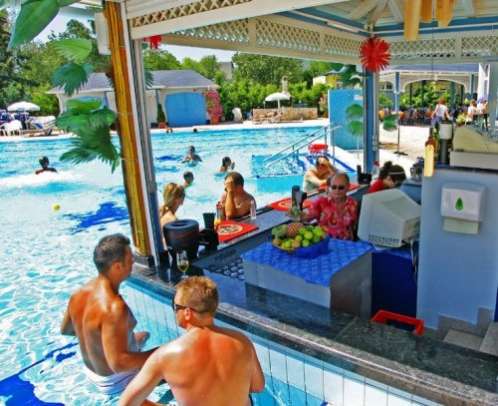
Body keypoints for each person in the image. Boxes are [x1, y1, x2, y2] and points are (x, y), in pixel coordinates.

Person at [119, 276, 265, 406]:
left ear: (187, 312)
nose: (174, 311)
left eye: (176, 307)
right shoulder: (241, 341)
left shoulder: (165, 356)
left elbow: (126, 403)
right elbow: (258, 386)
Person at [60, 234, 155, 395]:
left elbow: (67, 330)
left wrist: (97, 340)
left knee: (143, 335)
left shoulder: (79, 294)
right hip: (117, 380)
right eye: (130, 259)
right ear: (117, 266)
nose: (133, 261)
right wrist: (162, 352)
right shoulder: (115, 307)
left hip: (91, 373)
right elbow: (119, 364)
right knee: (177, 359)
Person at [304, 172, 358, 240]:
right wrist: (296, 213)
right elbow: (306, 218)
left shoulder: (353, 203)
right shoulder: (320, 202)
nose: (337, 190)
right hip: (325, 243)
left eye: (341, 187)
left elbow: (354, 226)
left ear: (348, 187)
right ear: (329, 188)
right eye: (333, 187)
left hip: (346, 243)